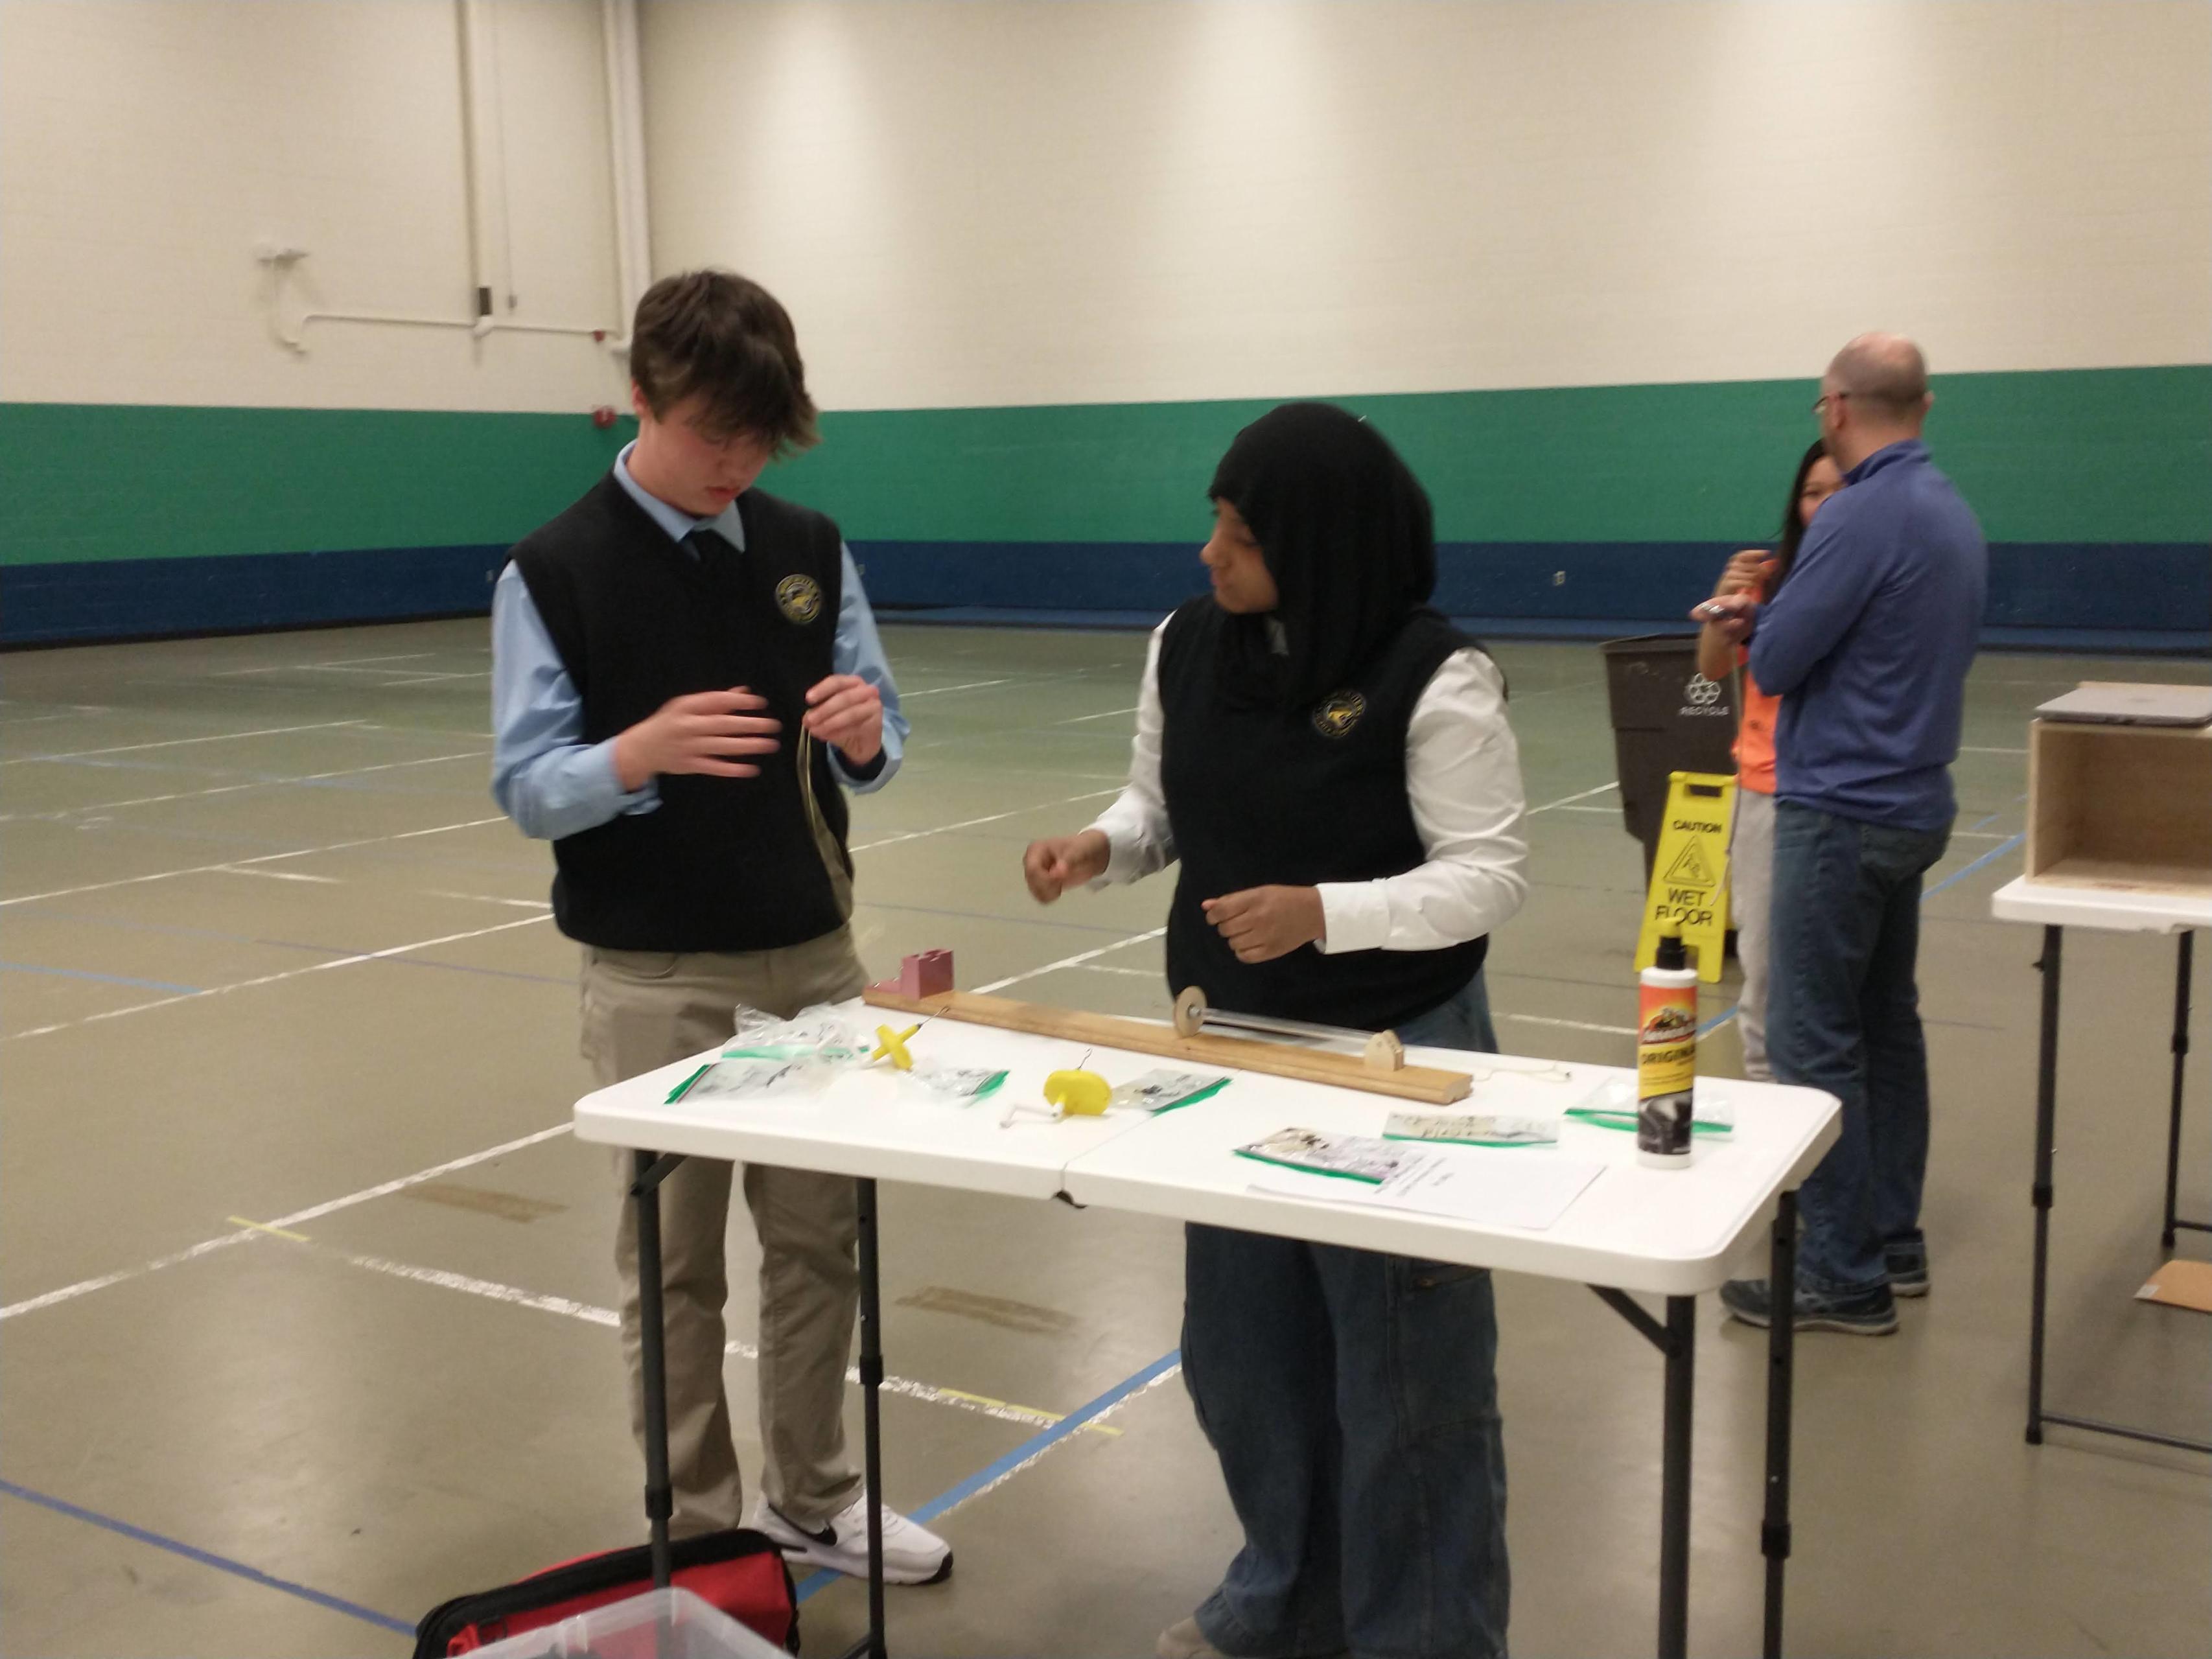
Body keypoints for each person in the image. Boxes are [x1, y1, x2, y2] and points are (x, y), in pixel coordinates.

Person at [1023, 403, 1528, 1659]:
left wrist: (1324, 914)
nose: (1210, 553)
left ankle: (1422, 1635)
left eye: (1240, 536)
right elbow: (1158, 805)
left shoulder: (1434, 675)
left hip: (1394, 1056)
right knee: (1244, 1358)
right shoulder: (1184, 644)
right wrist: (1100, 847)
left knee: (1406, 1378)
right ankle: (1287, 1601)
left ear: (1318, 546)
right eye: (1214, 522)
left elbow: (1485, 875)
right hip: (1226, 1050)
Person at [489, 270, 951, 1582]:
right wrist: (630, 756)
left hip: (813, 957)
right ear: (640, 398)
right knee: (674, 1266)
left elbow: (880, 730)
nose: (733, 463)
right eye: (710, 433)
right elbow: (526, 784)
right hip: (655, 975)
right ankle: (700, 1536)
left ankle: (815, 1493)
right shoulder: (554, 569)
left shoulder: (808, 545)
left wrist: (865, 735)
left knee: (817, 1242)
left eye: (758, 438)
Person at [1698, 334, 1986, 1335]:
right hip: (1912, 802)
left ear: (1834, 409)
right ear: (1925, 404)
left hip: (1841, 812)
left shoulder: (1862, 513)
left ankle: (1839, 1271)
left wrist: (1749, 617)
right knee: (1886, 1029)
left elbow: (1777, 661)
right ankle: (1892, 1237)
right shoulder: (1947, 508)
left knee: (1812, 1040)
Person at [1696, 441, 1845, 1081]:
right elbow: (1711, 667)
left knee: (1832, 971)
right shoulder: (1768, 577)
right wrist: (1723, 599)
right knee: (1760, 962)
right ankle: (1765, 1092)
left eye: (1838, 491)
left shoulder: (1870, 578)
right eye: (1812, 493)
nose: (1824, 504)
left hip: (1838, 797)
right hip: (1763, 793)